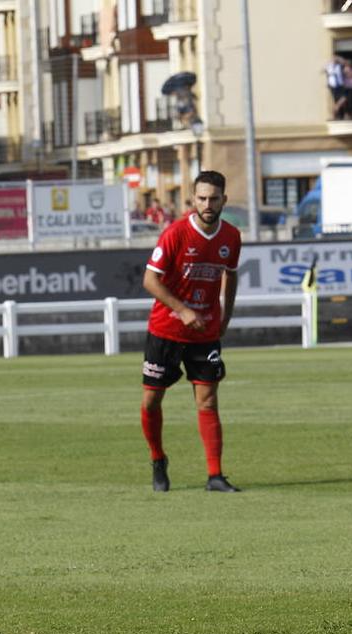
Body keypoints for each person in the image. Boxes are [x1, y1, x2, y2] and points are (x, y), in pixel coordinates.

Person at [139, 170, 243, 493]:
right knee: (152, 401)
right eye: (201, 198)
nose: (207, 204)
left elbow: (231, 274)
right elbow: (149, 280)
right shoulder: (175, 233)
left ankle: (215, 475)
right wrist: (182, 310)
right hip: (167, 329)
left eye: (214, 198)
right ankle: (158, 459)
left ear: (224, 199)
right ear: (192, 199)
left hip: (205, 332)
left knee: (208, 401)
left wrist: (225, 316)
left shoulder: (231, 237)